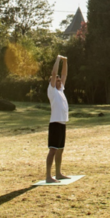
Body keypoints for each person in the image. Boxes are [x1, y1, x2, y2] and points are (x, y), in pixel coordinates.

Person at [45, 54, 70, 183]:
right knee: (53, 149)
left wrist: (65, 61)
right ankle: (48, 176)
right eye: (57, 81)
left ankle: (58, 173)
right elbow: (55, 73)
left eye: (60, 81)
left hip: (62, 123)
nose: (59, 81)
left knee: (60, 150)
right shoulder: (52, 91)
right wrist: (58, 59)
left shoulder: (61, 90)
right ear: (53, 82)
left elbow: (64, 74)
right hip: (55, 123)